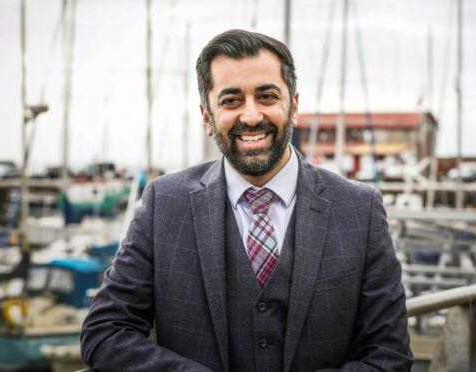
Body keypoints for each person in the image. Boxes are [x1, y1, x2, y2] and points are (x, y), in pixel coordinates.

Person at [80, 29, 412, 372]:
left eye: (267, 96)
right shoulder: (164, 204)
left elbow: (390, 356)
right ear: (208, 117)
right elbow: (106, 332)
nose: (251, 116)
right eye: (231, 100)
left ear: (293, 107)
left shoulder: (360, 210)